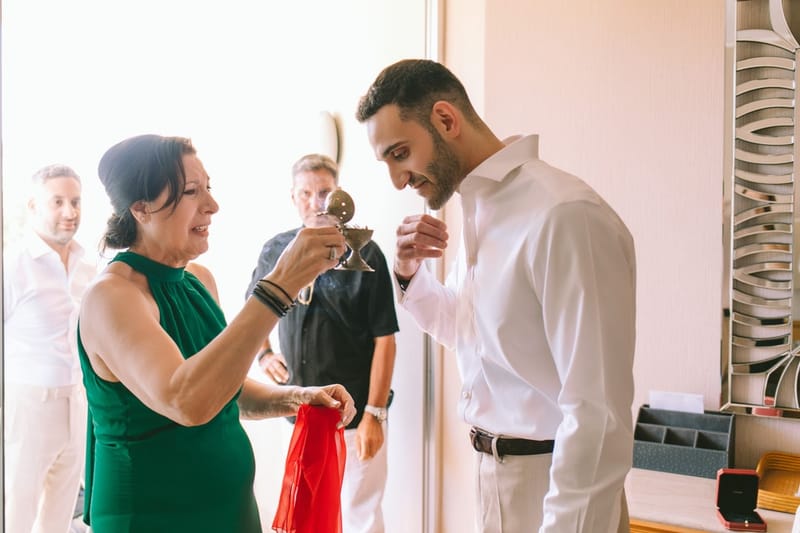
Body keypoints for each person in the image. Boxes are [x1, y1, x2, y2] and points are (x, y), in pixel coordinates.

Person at [355, 59, 636, 533]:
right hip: (491, 477)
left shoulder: (564, 215)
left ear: (446, 120)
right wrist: (407, 273)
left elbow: (598, 414)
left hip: (555, 488)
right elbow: (472, 335)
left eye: (400, 154)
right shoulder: (480, 211)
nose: (398, 180)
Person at [76, 134, 355, 533]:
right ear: (141, 207)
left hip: (230, 511)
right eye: (192, 192)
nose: (212, 205)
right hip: (152, 517)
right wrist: (278, 287)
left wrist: (297, 397)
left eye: (209, 187)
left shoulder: (198, 281)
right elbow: (187, 401)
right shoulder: (112, 297)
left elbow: (224, 389)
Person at [246, 153, 399, 533]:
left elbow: (385, 339)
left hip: (354, 414)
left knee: (361, 515)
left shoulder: (365, 253)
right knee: (305, 513)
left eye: (325, 192)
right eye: (306, 193)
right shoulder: (275, 250)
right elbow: (253, 308)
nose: (316, 203)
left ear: (339, 194)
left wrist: (374, 415)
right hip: (296, 409)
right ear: (293, 197)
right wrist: (265, 355)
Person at [4, 164, 96, 533]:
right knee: (16, 512)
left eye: (75, 201)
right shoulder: (12, 266)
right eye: (57, 202)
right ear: (33, 206)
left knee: (59, 515)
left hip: (76, 402)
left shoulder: (88, 267)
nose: (69, 212)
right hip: (27, 405)